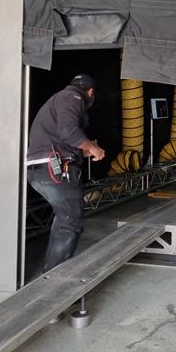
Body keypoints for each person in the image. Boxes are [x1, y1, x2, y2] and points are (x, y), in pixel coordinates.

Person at [26, 73, 106, 272]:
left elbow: (62, 138)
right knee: (71, 221)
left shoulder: (58, 100)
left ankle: (50, 271)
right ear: (90, 92)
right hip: (54, 169)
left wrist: (83, 151)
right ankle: (55, 279)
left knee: (64, 219)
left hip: (40, 170)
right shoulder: (73, 97)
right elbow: (68, 131)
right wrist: (93, 148)